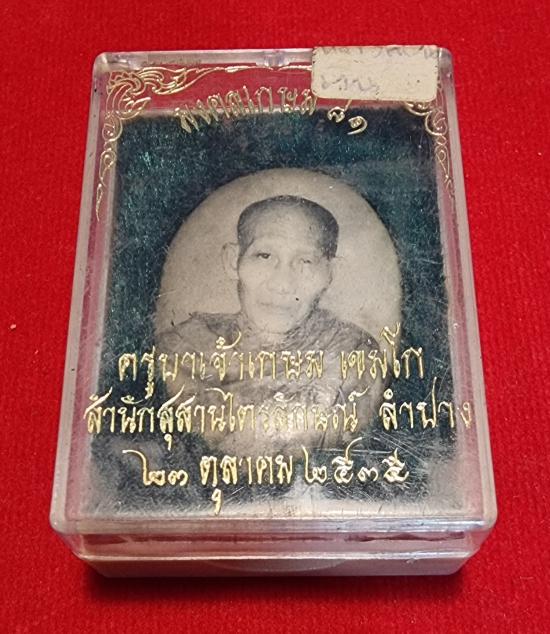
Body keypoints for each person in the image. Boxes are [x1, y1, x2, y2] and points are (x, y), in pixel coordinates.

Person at [158, 195, 379, 455]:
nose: (282, 284)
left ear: (330, 273)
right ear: (233, 260)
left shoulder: (353, 354)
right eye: (264, 256)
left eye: (305, 261)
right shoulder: (183, 349)